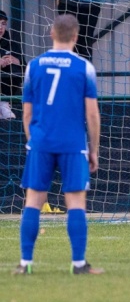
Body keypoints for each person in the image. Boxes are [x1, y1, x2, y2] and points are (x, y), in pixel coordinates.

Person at [13, 14, 103, 275]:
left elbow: (27, 114)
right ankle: (78, 264)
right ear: (75, 37)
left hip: (41, 142)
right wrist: (94, 149)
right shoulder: (83, 68)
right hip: (72, 143)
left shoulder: (34, 66)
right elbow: (92, 114)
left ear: (51, 33)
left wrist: (35, 142)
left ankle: (25, 264)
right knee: (75, 202)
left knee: (33, 201)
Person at [0, 10, 24, 119]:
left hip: (9, 88)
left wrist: (17, 61)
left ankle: (4, 103)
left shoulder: (12, 45)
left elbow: (25, 67)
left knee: (15, 67)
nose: (0, 27)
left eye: (3, 24)